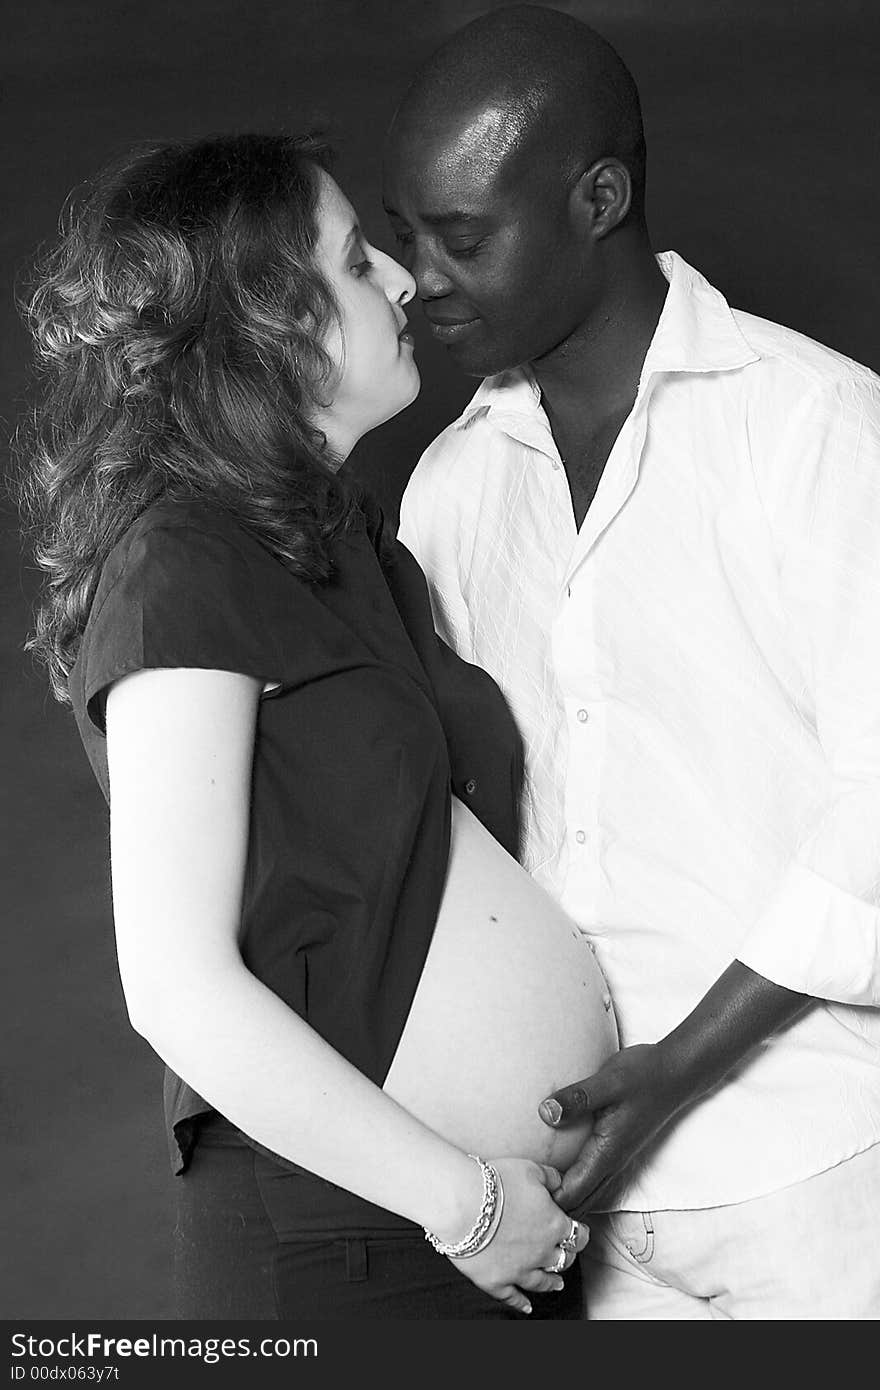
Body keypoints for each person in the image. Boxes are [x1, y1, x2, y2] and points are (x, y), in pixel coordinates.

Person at [16, 132, 623, 1320]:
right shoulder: (178, 557)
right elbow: (176, 984)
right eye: (357, 262)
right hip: (354, 1237)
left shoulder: (339, 540)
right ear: (268, 322)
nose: (402, 281)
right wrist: (466, 1203)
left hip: (477, 1231)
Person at [384, 4, 880, 1319]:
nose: (417, 276)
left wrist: (668, 1070)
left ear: (598, 198)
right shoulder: (444, 493)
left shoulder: (815, 427)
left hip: (813, 1181)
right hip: (565, 1214)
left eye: (462, 237)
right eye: (409, 232)